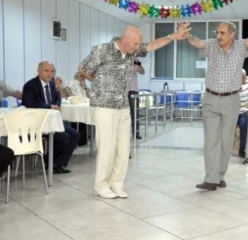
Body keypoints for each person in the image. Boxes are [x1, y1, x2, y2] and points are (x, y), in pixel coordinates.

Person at [79, 25, 189, 199]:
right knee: (107, 147)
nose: (138, 48)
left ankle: (116, 184)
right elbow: (83, 68)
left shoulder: (132, 52)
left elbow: (152, 45)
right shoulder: (102, 50)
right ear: (126, 40)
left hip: (123, 106)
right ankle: (100, 186)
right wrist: (99, 85)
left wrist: (172, 36)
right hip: (104, 106)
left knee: (124, 148)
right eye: (136, 44)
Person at [179, 21, 248, 191]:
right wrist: (188, 36)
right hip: (211, 98)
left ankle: (220, 175)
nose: (218, 36)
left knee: (226, 142)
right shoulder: (212, 45)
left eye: (223, 33)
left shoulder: (241, 47)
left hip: (231, 100)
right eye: (217, 32)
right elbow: (198, 42)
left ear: (232, 34)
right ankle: (211, 178)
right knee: (211, 140)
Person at [22, 61, 80, 174]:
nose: (49, 74)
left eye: (52, 71)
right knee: (63, 138)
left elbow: (57, 98)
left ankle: (57, 163)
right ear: (38, 71)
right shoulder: (30, 85)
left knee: (75, 135)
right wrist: (49, 106)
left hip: (53, 120)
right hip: (38, 122)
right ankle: (49, 161)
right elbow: (29, 103)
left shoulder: (52, 84)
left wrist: (57, 104)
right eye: (46, 70)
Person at [128, 58, 145, 140]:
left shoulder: (135, 63)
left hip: (133, 91)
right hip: (122, 91)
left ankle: (136, 132)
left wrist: (137, 63)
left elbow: (142, 72)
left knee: (135, 113)